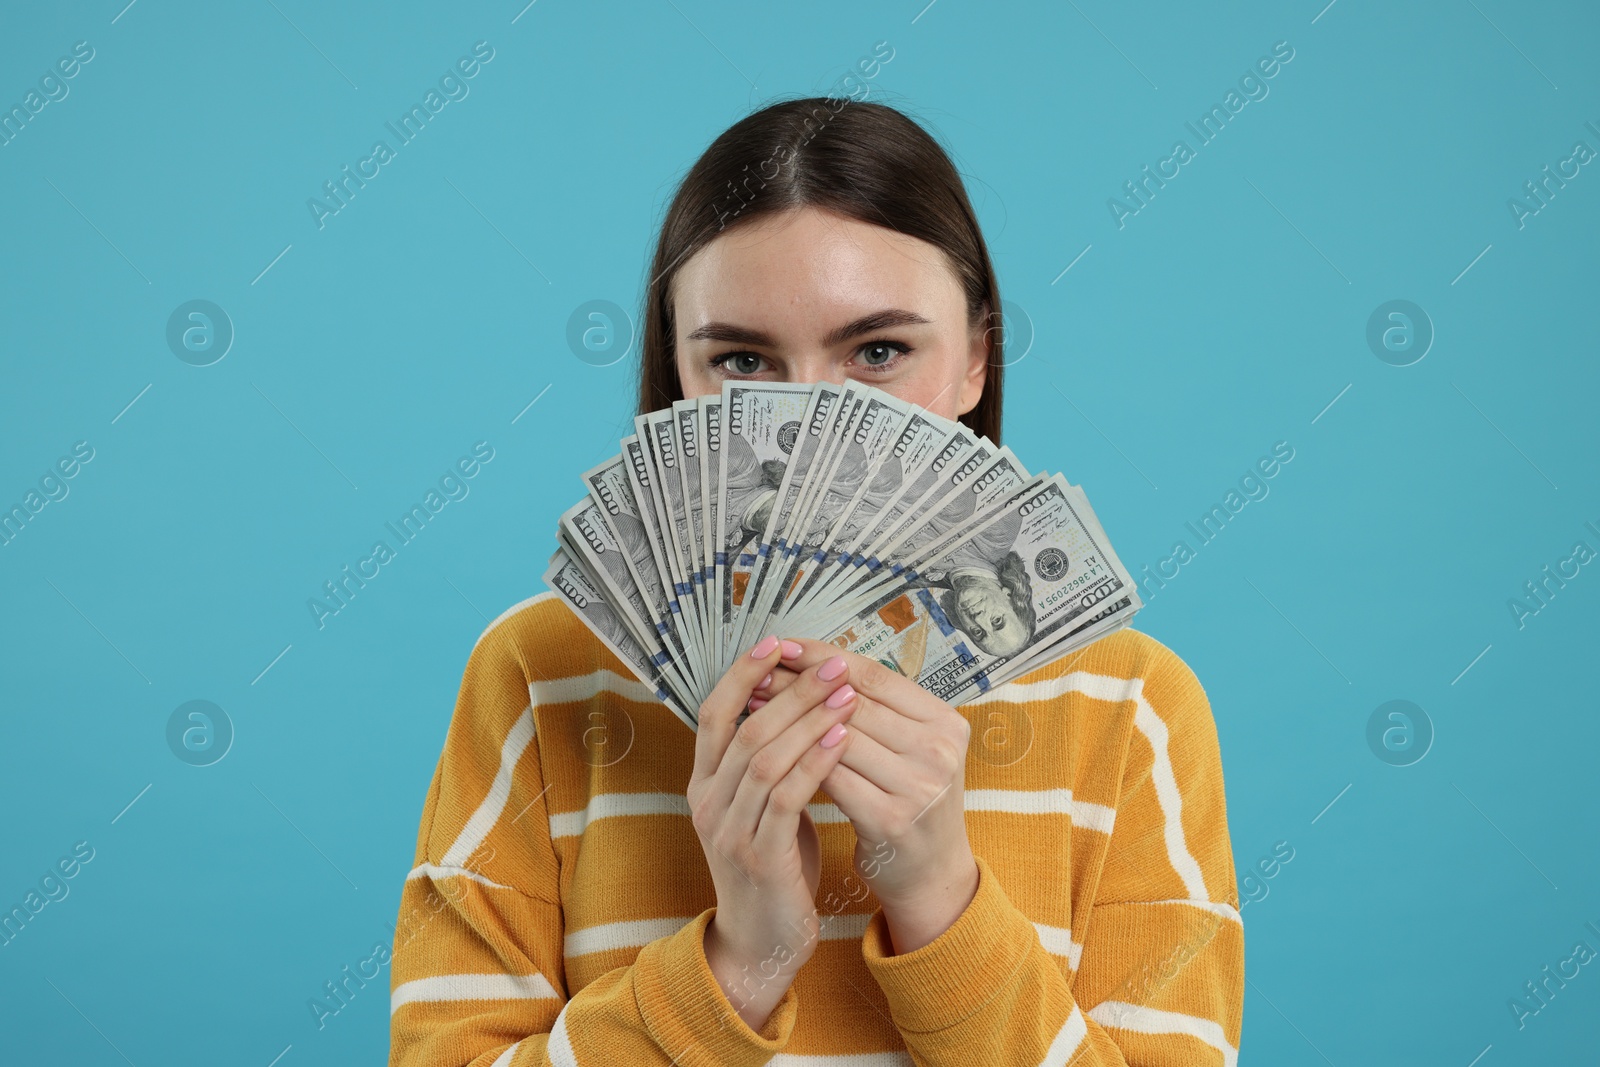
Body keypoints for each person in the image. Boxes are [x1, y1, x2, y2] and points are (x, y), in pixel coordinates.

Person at [389, 96, 1243, 1065]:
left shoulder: (1132, 711)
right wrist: (739, 962)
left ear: (974, 357)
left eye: (878, 351)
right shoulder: (537, 678)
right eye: (742, 360)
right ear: (676, 376)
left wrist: (937, 895)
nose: (806, 433)